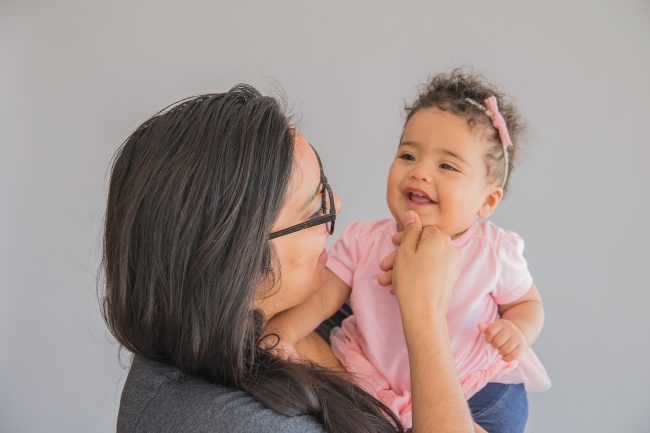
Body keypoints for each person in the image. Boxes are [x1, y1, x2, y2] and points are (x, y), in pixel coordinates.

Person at [101, 84, 476, 433]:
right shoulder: (240, 422)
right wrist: (426, 314)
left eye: (325, 188)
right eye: (316, 211)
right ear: (240, 261)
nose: (338, 207)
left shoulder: (263, 322)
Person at [265, 70, 551, 433]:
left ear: (487, 200)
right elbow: (323, 299)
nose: (420, 172)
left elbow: (528, 304)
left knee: (505, 413)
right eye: (408, 155)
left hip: (473, 385)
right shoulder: (365, 239)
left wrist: (518, 331)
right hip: (376, 373)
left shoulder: (493, 251)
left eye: (446, 165)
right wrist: (283, 333)